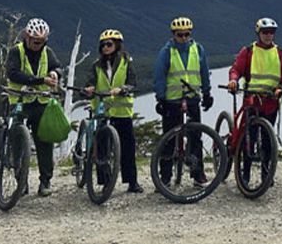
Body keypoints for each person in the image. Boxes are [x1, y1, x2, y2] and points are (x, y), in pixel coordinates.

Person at [227, 17, 282, 179]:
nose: (268, 35)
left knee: (268, 140)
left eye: (271, 32)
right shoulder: (248, 51)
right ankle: (245, 174)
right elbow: (236, 69)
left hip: (271, 102)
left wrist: (280, 87)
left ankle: (266, 174)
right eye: (265, 32)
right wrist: (233, 80)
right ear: (258, 33)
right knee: (249, 138)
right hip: (252, 101)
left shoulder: (279, 53)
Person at [153, 16, 213, 187]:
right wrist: (160, 98)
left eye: (187, 34)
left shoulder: (198, 49)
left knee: (196, 137)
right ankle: (165, 177)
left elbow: (204, 71)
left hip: (193, 97)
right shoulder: (167, 51)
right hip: (172, 100)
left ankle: (198, 174)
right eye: (180, 35)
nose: (184, 38)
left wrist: (207, 93)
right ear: (174, 35)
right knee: (168, 138)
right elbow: (159, 75)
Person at [6, 17, 61, 197]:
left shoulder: (47, 52)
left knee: (45, 142)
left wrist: (55, 73)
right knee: (18, 141)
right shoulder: (16, 51)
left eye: (42, 42)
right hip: (20, 102)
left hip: (41, 102)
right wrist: (39, 80)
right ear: (27, 37)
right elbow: (13, 74)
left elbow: (58, 67)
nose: (38, 45)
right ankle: (21, 181)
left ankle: (45, 181)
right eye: (36, 41)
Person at [84, 28, 142, 193]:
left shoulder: (126, 61)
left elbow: (133, 83)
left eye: (109, 44)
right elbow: (90, 82)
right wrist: (89, 88)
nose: (105, 47)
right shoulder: (96, 65)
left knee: (128, 148)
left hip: (122, 112)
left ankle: (132, 182)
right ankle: (105, 182)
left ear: (117, 45)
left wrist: (122, 89)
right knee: (102, 148)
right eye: (102, 45)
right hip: (103, 110)